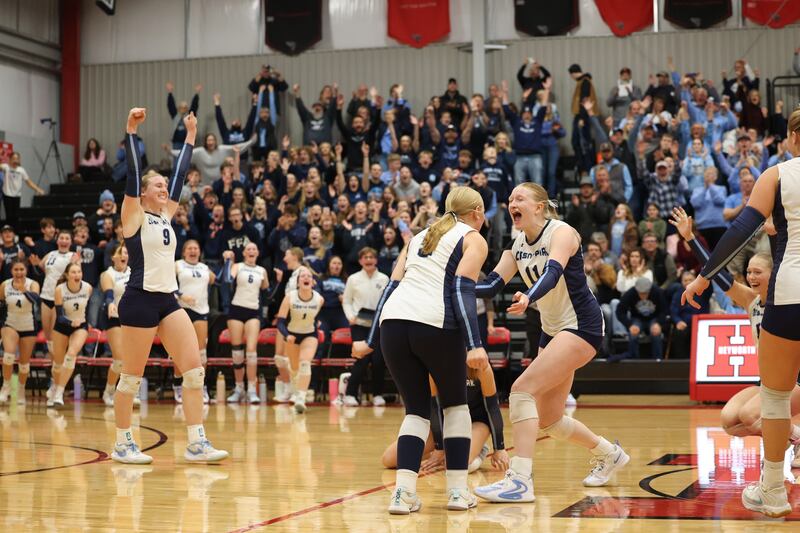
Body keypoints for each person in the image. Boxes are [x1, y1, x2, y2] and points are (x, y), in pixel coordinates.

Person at [472, 183, 627, 504]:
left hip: (582, 326)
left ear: (540, 206)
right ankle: (609, 453)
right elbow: (489, 285)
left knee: (521, 390)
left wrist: (528, 297)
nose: (512, 202)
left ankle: (519, 480)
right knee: (550, 420)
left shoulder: (563, 232)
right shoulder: (517, 244)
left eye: (520, 198)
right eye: (510, 198)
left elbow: (553, 272)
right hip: (552, 330)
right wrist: (452, 285)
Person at [681, 108, 800, 518]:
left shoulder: (779, 174)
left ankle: (772, 490)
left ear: (792, 139)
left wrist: (701, 277)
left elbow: (738, 230)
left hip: (790, 291)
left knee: (775, 396)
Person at [352, 187, 489, 513]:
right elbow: (461, 288)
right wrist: (474, 344)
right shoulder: (474, 238)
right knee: (455, 408)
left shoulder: (418, 236)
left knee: (415, 411)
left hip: (393, 325)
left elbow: (391, 287)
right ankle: (457, 493)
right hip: (435, 322)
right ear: (478, 212)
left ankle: (402, 494)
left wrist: (370, 342)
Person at [114, 107, 227, 464]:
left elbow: (179, 175)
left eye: (164, 185)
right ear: (143, 193)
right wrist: (131, 130)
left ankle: (197, 442)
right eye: (157, 185)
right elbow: (133, 173)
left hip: (167, 301)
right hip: (139, 300)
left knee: (194, 371)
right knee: (131, 378)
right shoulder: (132, 214)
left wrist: (191, 136)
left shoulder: (164, 215)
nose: (164, 187)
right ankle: (122, 443)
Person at [669, 206, 800, 468]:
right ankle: (794, 437)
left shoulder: (786, 298)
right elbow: (717, 273)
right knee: (731, 421)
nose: (751, 277)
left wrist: (775, 232)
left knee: (750, 416)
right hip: (768, 381)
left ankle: (791, 440)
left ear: (773, 275)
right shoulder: (751, 301)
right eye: (749, 272)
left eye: (757, 272)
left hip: (795, 380)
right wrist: (690, 238)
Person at [381, 364, 509, 476]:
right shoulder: (436, 365)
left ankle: (479, 449)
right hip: (446, 422)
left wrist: (499, 448)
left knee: (458, 465)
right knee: (389, 459)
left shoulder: (480, 367)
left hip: (476, 421)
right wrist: (439, 448)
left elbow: (492, 408)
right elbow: (434, 407)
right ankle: (449, 451)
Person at [342, 247, 389, 407]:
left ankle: (377, 395)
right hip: (359, 326)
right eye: (365, 257)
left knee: (378, 361)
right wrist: (350, 317)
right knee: (361, 360)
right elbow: (347, 301)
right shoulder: (353, 279)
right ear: (360, 260)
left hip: (378, 327)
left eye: (371, 257)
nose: (368, 259)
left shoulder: (384, 278)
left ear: (376, 260)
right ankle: (350, 394)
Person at [223, 243, 268, 404]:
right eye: (248, 249)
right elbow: (228, 278)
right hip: (236, 310)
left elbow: (266, 289)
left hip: (253, 311)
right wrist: (228, 261)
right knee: (237, 352)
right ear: (243, 253)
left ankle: (251, 390)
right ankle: (239, 387)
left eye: (254, 249)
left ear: (258, 253)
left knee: (251, 351)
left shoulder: (262, 270)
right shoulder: (238, 266)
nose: (251, 250)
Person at [275, 266, 323, 413]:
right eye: (302, 276)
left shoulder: (319, 299)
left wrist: (318, 324)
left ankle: (301, 398)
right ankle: (296, 392)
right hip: (291, 335)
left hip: (309, 335)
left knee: (305, 363)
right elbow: (280, 322)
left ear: (313, 282)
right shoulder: (290, 297)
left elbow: (316, 319)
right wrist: (286, 335)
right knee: (294, 369)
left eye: (309, 276)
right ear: (297, 282)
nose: (306, 278)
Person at [39, 230, 79, 397]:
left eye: (67, 238)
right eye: (61, 238)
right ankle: (54, 379)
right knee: (49, 342)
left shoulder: (73, 256)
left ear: (70, 241)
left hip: (60, 299)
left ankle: (58, 384)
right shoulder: (50, 254)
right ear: (57, 240)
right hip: (45, 296)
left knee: (58, 344)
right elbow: (42, 266)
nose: (63, 240)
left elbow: (76, 276)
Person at [175, 240, 214, 404]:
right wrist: (181, 295)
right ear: (184, 252)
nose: (193, 251)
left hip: (201, 311)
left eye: (196, 248)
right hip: (181, 310)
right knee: (179, 349)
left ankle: (200, 386)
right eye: (189, 248)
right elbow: (166, 283)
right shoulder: (178, 265)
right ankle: (177, 385)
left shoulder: (205, 268)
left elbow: (214, 280)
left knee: (201, 352)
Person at [47, 262, 91, 408]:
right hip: (62, 326)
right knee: (58, 364)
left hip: (81, 326)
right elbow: (59, 316)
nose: (76, 275)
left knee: (71, 354)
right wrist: (69, 322)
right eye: (73, 272)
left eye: (79, 272)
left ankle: (59, 392)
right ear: (67, 275)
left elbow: (86, 310)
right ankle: (54, 385)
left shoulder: (88, 288)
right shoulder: (60, 290)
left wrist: (79, 323)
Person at [0, 259, 39, 405]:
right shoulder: (4, 285)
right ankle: (6, 387)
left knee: (24, 363)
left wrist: (24, 290)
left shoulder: (32, 284)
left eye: (21, 269)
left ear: (26, 270)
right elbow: (1, 305)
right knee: (8, 355)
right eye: (16, 270)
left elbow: (36, 300)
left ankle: (20, 390)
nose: (19, 272)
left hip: (28, 326)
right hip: (10, 324)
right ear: (11, 271)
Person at [99, 243, 131, 407]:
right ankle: (109, 392)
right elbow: (108, 293)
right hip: (114, 317)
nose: (124, 255)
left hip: (132, 319)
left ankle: (128, 394)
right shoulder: (108, 274)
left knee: (132, 360)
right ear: (113, 257)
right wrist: (110, 303)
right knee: (119, 360)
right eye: (120, 252)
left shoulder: (134, 272)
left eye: (126, 252)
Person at [0, 152, 44, 226]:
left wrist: (38, 189)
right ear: (10, 159)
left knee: (16, 216)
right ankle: (8, 233)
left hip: (17, 196)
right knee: (9, 216)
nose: (15, 161)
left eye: (17, 159)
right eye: (13, 159)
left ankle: (16, 234)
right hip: (7, 195)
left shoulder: (21, 170)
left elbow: (29, 182)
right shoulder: (6, 167)